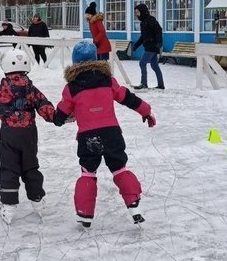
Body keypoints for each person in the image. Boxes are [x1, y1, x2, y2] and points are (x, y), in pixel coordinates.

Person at [52, 41, 156, 228]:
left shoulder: (72, 88)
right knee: (119, 169)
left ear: (75, 62)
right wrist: (146, 111)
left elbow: (60, 113)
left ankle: (85, 214)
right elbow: (128, 98)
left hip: (88, 137)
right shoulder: (108, 81)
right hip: (112, 134)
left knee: (88, 173)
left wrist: (58, 118)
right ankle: (133, 204)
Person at [0, 48, 56, 225]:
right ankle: (37, 199)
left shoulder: (1, 89)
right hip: (29, 134)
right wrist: (58, 117)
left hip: (9, 133)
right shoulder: (31, 89)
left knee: (9, 168)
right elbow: (45, 107)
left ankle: (9, 205)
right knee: (30, 166)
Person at [132, 4, 165, 90]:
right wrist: (136, 45)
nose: (137, 14)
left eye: (138, 12)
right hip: (149, 46)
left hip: (152, 46)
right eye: (136, 12)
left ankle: (144, 84)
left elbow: (159, 30)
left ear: (142, 11)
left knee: (142, 63)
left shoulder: (150, 20)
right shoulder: (143, 22)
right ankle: (161, 85)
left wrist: (159, 42)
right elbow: (143, 37)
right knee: (154, 66)